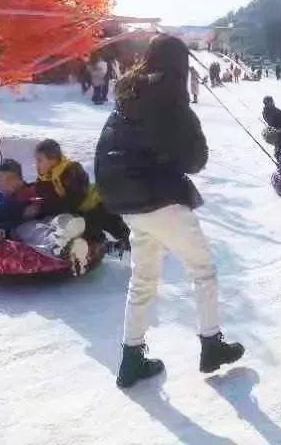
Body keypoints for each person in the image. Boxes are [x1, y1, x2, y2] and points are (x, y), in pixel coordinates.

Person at [95, 35, 244, 389]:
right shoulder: (172, 100)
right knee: (202, 268)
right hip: (158, 197)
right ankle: (212, 345)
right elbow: (195, 160)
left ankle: (131, 357)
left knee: (143, 278)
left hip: (124, 200)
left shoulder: (128, 95)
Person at [34, 139, 130, 250]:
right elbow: (45, 197)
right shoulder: (44, 178)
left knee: (116, 229)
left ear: (53, 159)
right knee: (87, 232)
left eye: (40, 160)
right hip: (82, 210)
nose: (36, 164)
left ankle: (137, 246)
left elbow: (74, 200)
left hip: (98, 204)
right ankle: (104, 246)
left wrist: (46, 206)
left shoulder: (72, 169)